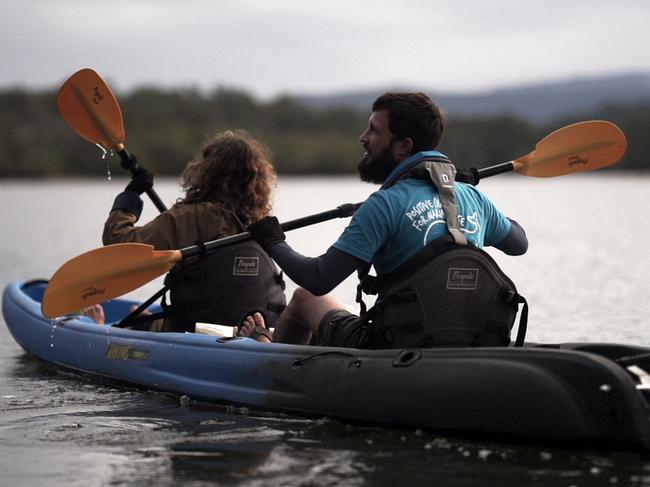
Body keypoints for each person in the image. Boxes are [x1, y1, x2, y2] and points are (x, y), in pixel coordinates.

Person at [247, 92, 528, 349]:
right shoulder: (473, 198)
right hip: (470, 340)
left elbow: (318, 278)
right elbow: (519, 243)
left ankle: (271, 366)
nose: (363, 137)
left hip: (393, 346)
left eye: (374, 130)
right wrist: (470, 195)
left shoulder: (382, 206)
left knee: (304, 298)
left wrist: (274, 242)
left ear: (404, 146)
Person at [97, 130, 286, 334]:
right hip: (259, 329)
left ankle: (143, 322)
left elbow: (118, 243)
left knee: (137, 317)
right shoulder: (263, 224)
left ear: (206, 172)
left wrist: (131, 196)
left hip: (192, 330)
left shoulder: (188, 217)